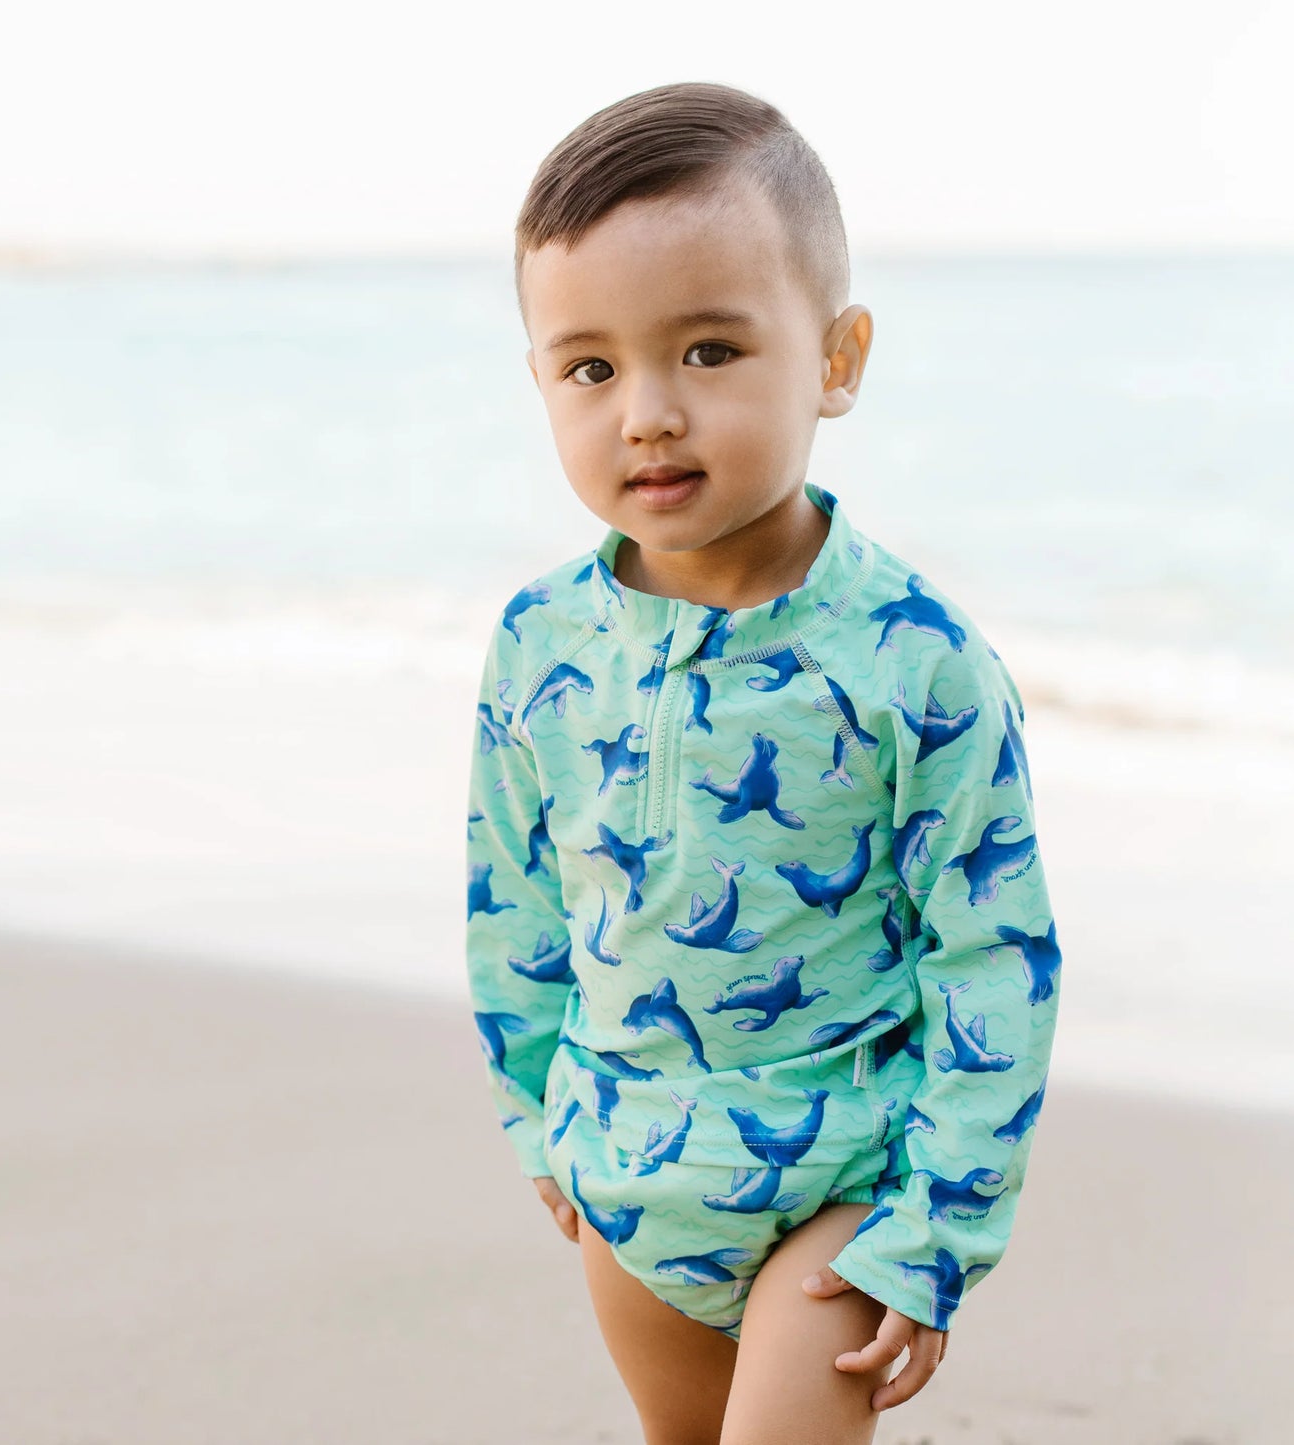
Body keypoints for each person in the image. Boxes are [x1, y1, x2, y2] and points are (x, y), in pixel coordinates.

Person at [464, 80, 1061, 1444]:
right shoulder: (539, 643)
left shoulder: (916, 661)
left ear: (835, 357)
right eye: (591, 367)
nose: (649, 414)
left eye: (711, 350)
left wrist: (936, 1223)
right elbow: (514, 898)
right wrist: (538, 1115)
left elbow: (991, 956)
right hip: (625, 1171)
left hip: (842, 1185)